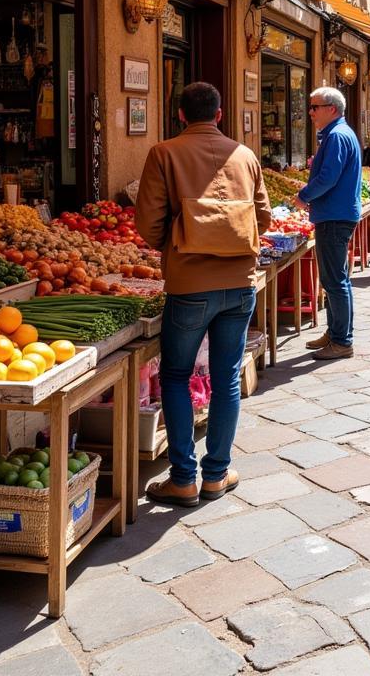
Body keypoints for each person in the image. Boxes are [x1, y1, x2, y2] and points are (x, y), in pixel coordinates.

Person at [136, 82, 272, 507]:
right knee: (226, 375)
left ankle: (183, 478)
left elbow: (148, 222)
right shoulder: (245, 156)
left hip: (189, 283)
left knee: (176, 375)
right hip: (239, 282)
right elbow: (263, 216)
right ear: (219, 114)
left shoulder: (164, 153)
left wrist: (175, 245)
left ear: (179, 114)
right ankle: (216, 474)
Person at [296, 87, 363, 360]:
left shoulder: (336, 136)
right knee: (335, 279)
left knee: (335, 281)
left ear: (331, 109)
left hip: (334, 216)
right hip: (336, 213)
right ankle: (336, 333)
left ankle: (342, 340)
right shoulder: (339, 134)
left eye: (315, 107)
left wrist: (304, 196)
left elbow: (327, 178)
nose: (310, 112)